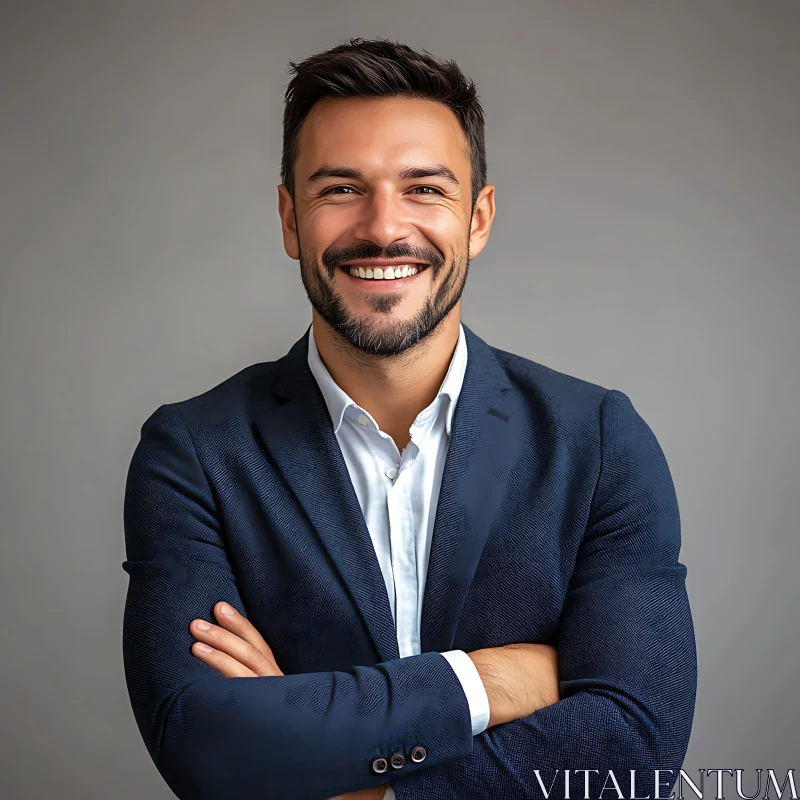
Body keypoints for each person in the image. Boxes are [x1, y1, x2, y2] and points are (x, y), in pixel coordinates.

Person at [121, 38, 697, 800]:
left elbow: (633, 746)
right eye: (339, 190)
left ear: (478, 219)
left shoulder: (599, 443)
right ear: (291, 219)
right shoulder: (193, 454)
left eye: (424, 188)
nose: (383, 228)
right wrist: (483, 680)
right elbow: (204, 741)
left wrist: (351, 782)